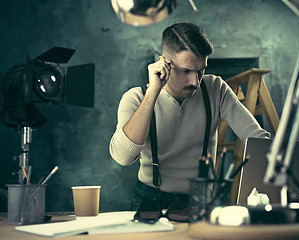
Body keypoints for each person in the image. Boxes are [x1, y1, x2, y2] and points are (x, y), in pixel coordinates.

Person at [109, 22, 270, 210]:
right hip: (151, 200)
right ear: (164, 63)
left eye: (201, 71)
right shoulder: (135, 98)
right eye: (186, 71)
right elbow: (123, 157)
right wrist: (153, 92)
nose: (194, 81)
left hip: (201, 201)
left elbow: (258, 139)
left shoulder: (215, 88)